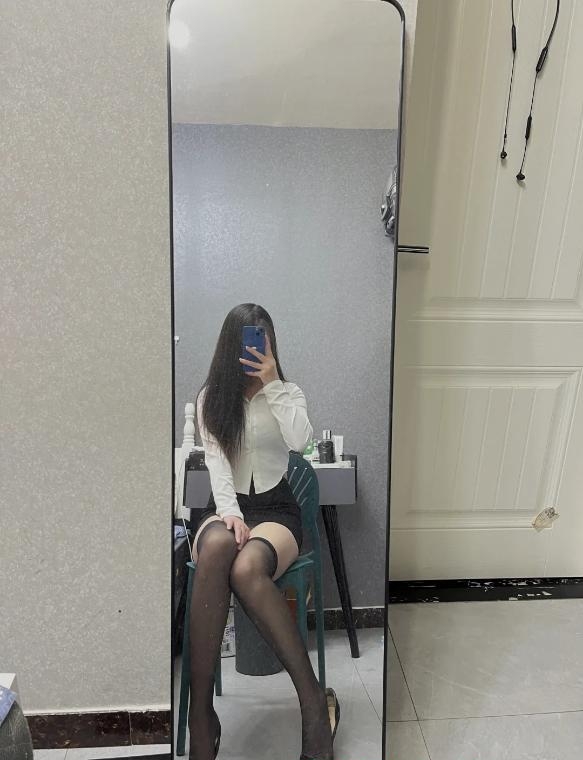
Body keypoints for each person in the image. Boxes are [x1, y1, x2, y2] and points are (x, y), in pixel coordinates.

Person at [188, 303, 339, 760]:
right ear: (229, 346)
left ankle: (312, 702)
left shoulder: (288, 392)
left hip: (276, 509)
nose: (255, 348)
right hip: (225, 504)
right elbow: (216, 462)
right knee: (218, 548)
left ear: (271, 343)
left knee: (247, 568)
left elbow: (301, 442)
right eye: (247, 340)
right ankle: (200, 715)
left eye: (263, 339)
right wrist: (230, 512)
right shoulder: (211, 398)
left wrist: (273, 384)